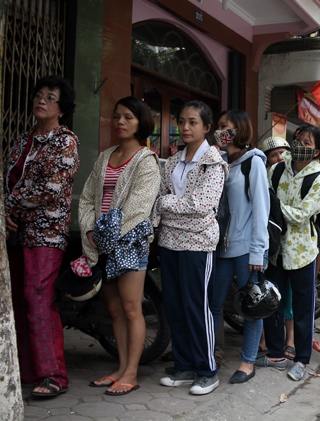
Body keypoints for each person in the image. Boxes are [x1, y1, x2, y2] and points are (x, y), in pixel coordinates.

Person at [4, 76, 79, 397]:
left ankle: (53, 375)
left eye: (50, 97)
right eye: (39, 95)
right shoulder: (22, 141)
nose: (42, 101)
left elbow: (51, 188)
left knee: (38, 298)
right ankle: (25, 369)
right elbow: (7, 179)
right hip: (15, 232)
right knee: (18, 299)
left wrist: (8, 205)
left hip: (46, 233)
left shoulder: (65, 142)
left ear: (61, 109)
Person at [81, 97, 160, 395]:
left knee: (131, 308)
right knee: (114, 309)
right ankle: (120, 367)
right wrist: (90, 229)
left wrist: (104, 236)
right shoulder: (104, 157)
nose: (120, 122)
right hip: (102, 243)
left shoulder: (146, 160)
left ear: (141, 122)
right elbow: (88, 197)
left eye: (128, 117)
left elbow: (139, 208)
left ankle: (132, 373)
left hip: (130, 244)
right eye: (117, 117)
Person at [153, 101, 227, 394]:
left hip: (198, 243)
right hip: (169, 240)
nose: (185, 127)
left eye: (192, 122)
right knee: (174, 305)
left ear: (207, 127)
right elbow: (160, 197)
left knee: (197, 307)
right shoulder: (172, 161)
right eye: (181, 121)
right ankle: (184, 366)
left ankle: (207, 370)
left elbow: (202, 204)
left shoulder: (214, 162)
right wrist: (166, 205)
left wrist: (166, 204)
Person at [260, 125, 320, 381]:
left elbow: (301, 216)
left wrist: (275, 207)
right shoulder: (277, 169)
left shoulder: (318, 179)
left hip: (302, 252)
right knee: (271, 302)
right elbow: (263, 198)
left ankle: (301, 360)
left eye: (306, 143)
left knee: (302, 308)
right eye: (297, 140)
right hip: (275, 249)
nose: (298, 145)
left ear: (317, 151)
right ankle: (275, 353)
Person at [209, 109, 270, 384]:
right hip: (220, 248)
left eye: (227, 126)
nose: (221, 131)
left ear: (240, 130)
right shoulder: (219, 160)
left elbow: (261, 209)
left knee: (251, 307)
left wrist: (258, 250)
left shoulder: (252, 162)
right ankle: (210, 354)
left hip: (246, 249)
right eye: (219, 126)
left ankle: (247, 361)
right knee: (212, 304)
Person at [259, 135, 295, 359]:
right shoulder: (263, 180)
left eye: (284, 153)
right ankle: (265, 339)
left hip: (295, 247)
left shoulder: (299, 176)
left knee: (289, 296)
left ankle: (290, 339)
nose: (280, 158)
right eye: (274, 155)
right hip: (271, 246)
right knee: (269, 294)